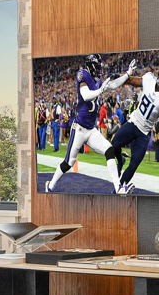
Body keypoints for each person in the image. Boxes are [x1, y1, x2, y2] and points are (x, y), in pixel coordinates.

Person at [46, 55, 135, 193]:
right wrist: (100, 90)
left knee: (109, 150)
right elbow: (86, 95)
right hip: (79, 128)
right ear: (91, 66)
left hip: (91, 129)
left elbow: (112, 85)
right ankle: (50, 186)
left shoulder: (96, 80)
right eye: (97, 67)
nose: (99, 70)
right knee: (69, 163)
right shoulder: (83, 75)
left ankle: (118, 188)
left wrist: (127, 74)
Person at [108, 61, 159, 195]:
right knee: (113, 147)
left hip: (144, 133)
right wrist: (118, 76)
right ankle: (120, 161)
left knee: (134, 164)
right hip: (133, 123)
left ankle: (118, 188)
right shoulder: (149, 79)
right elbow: (130, 80)